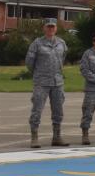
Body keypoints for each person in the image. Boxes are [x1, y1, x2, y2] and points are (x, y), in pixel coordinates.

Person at [26, 18, 69, 147]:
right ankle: (34, 137)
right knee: (37, 109)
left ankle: (57, 137)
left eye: (53, 27)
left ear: (56, 28)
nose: (50, 29)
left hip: (57, 82)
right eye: (48, 27)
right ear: (44, 28)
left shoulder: (61, 43)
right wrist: (39, 73)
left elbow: (63, 57)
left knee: (58, 110)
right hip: (41, 82)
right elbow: (29, 62)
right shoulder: (37, 43)